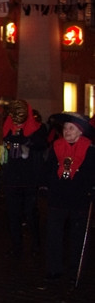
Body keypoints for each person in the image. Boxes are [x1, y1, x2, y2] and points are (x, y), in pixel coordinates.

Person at [43, 112, 95, 280]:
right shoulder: (56, 146)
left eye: (71, 128)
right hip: (57, 197)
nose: (67, 131)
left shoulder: (90, 150)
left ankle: (75, 265)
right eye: (65, 128)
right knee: (54, 234)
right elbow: (48, 170)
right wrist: (45, 186)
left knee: (77, 234)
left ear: (80, 131)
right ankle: (54, 267)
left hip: (79, 198)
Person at [1, 99, 48, 256]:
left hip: (29, 179)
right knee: (13, 215)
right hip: (12, 179)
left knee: (31, 213)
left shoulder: (38, 128)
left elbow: (41, 144)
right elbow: (2, 152)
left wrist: (26, 141)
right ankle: (16, 246)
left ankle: (36, 244)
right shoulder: (8, 128)